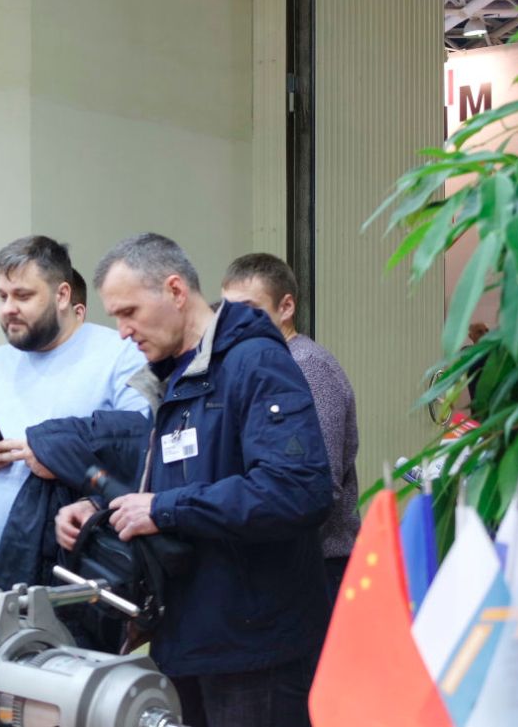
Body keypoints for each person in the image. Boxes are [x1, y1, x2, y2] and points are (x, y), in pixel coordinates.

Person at [45, 233, 331, 727]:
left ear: (175, 290)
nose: (122, 331)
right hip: (187, 638)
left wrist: (162, 510)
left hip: (252, 651)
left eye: (129, 312)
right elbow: (183, 483)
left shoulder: (254, 362)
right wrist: (106, 513)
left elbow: (297, 489)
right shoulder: (175, 376)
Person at [0, 235, 148, 600]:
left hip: (76, 577)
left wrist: (63, 463)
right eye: (2, 296)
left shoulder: (120, 355)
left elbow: (142, 456)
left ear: (62, 295)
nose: (8, 308)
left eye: (23, 296)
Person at [221, 252, 360, 600]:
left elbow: (320, 482)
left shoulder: (308, 367)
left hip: (319, 565)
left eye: (250, 309)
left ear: (286, 307)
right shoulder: (258, 364)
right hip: (282, 564)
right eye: (227, 311)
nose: (234, 323)